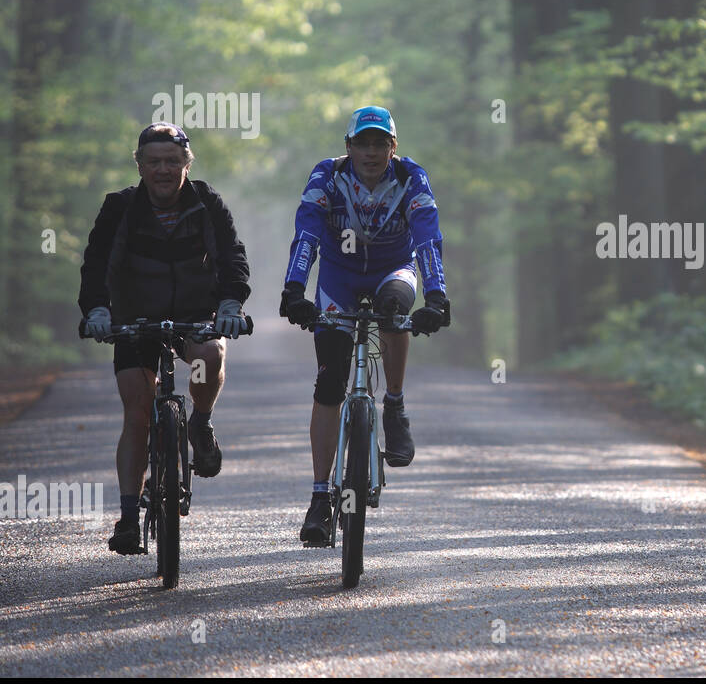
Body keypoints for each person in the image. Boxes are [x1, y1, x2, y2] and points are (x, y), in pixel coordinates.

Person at [280, 104, 449, 545]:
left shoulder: (411, 177)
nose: (371, 152)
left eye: (381, 144)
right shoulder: (327, 174)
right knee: (329, 383)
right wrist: (294, 288)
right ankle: (320, 496)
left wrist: (436, 295)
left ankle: (393, 405)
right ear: (348, 147)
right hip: (339, 276)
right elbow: (308, 232)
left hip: (394, 269)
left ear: (394, 147)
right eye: (363, 143)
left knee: (395, 308)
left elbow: (428, 235)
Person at [79, 122, 251, 555]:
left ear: (186, 164)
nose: (162, 170)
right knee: (137, 413)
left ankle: (200, 421)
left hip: (194, 314)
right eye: (153, 162)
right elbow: (96, 264)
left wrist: (230, 305)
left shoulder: (206, 201)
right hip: (135, 319)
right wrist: (97, 310)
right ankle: (129, 517)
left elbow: (233, 256)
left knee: (209, 356)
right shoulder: (119, 207)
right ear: (139, 165)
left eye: (172, 161)